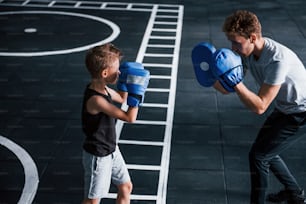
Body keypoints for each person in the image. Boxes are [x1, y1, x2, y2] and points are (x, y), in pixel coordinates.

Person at [216, 10, 306, 204]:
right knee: (265, 153)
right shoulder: (248, 53)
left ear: (253, 37)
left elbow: (260, 106)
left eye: (236, 43)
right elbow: (227, 89)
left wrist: (237, 84)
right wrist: (210, 73)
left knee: (259, 156)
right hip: (286, 108)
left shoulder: (276, 60)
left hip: (301, 113)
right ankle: (295, 194)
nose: (233, 48)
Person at [81, 43, 150, 204]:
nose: (119, 72)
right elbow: (129, 117)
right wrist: (138, 95)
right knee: (92, 201)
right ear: (105, 73)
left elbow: (121, 98)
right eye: (117, 70)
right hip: (98, 156)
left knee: (126, 187)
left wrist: (126, 81)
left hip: (111, 149)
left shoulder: (103, 89)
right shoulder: (97, 99)